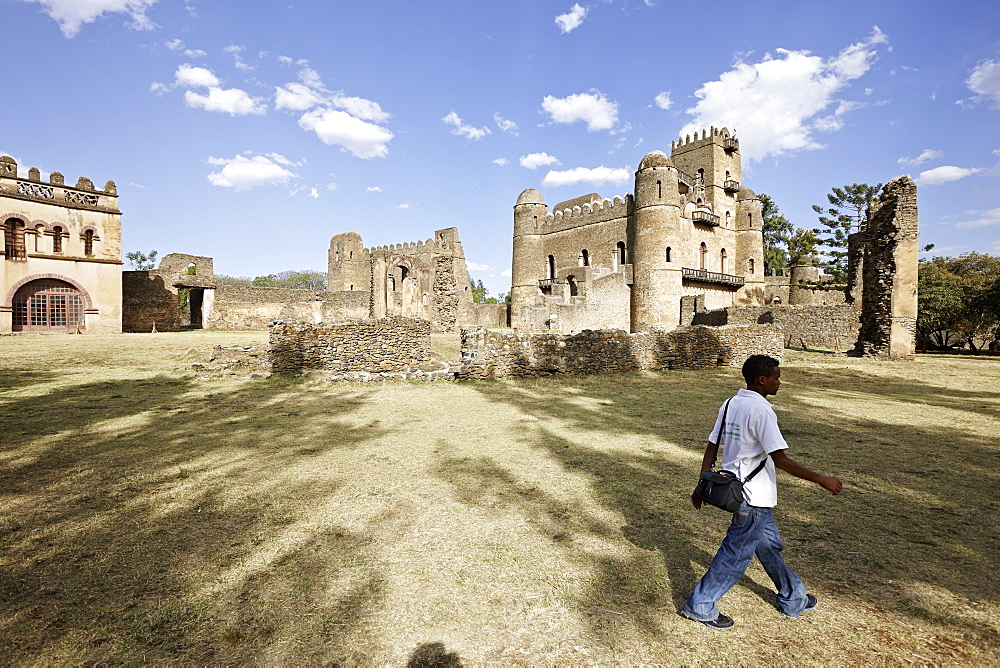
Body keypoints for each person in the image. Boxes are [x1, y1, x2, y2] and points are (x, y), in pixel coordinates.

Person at [682, 354, 843, 630]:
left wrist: (702, 483)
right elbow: (780, 459)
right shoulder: (762, 411)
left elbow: (712, 445)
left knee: (768, 547)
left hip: (740, 491)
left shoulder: (731, 403)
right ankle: (700, 606)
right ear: (762, 379)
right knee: (735, 554)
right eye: (776, 377)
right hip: (751, 496)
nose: (779, 382)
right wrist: (821, 479)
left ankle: (794, 598)